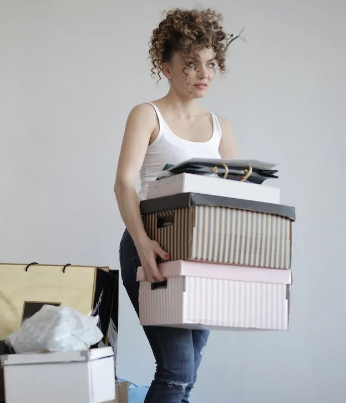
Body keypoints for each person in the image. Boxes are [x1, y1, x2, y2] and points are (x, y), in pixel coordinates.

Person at [114, 8, 239, 403]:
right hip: (153, 245)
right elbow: (123, 184)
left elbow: (232, 198)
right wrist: (141, 244)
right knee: (177, 370)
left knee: (188, 373)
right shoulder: (147, 114)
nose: (203, 73)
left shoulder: (221, 126)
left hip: (202, 255)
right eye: (190, 64)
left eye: (210, 63)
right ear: (165, 67)